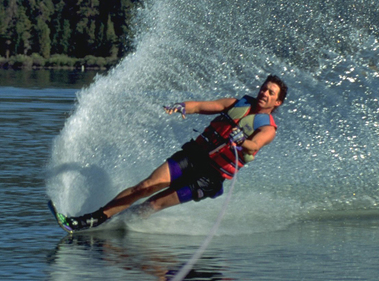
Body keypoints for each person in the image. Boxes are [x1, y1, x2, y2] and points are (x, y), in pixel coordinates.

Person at [61, 75, 287, 231]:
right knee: (146, 186)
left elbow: (254, 145)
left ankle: (115, 226)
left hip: (211, 176)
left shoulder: (268, 127)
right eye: (264, 88)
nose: (264, 93)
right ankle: (92, 220)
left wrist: (242, 140)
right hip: (195, 155)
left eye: (271, 92)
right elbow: (200, 106)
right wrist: (182, 106)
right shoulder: (236, 103)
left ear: (277, 101)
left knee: (154, 204)